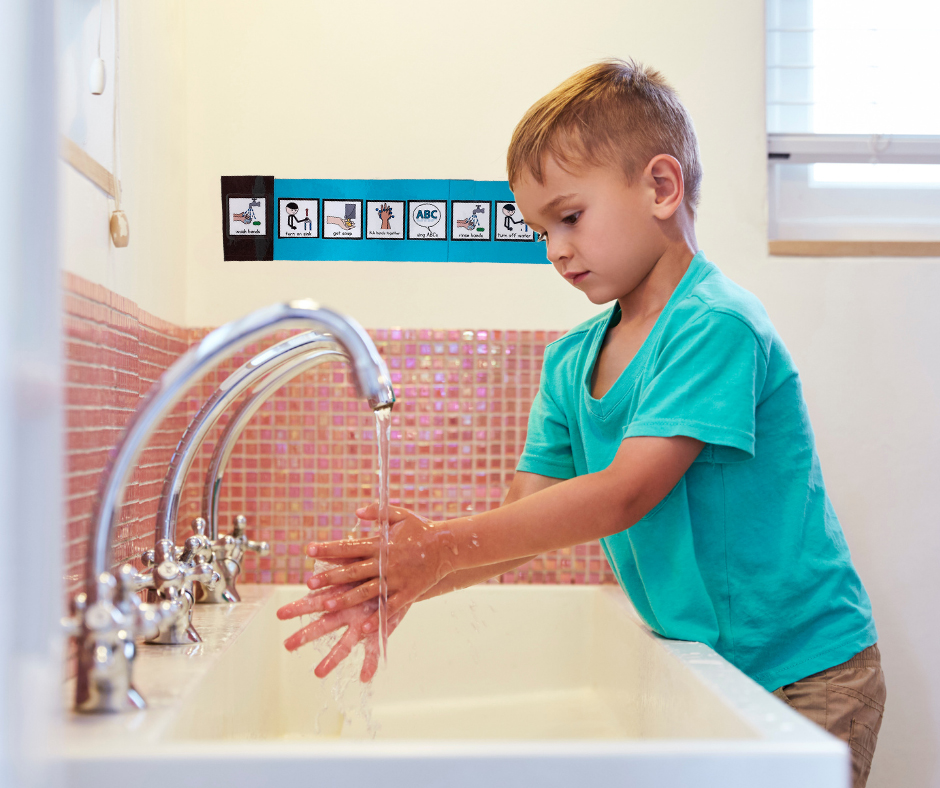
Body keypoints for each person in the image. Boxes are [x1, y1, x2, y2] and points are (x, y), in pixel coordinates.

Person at [277, 59, 886, 787]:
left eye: (569, 217)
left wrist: (437, 548)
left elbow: (626, 492)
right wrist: (412, 579)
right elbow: (524, 520)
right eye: (539, 230)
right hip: (705, 666)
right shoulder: (571, 363)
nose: (555, 249)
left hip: (804, 673)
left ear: (662, 187)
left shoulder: (715, 324)